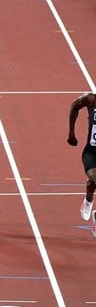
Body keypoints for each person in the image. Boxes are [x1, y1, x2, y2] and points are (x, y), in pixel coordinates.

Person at [66, 93, 96, 231]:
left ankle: (88, 200)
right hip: (91, 153)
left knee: (93, 182)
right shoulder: (92, 99)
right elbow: (74, 106)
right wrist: (71, 133)